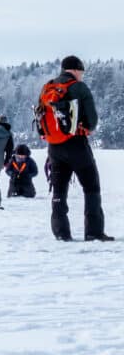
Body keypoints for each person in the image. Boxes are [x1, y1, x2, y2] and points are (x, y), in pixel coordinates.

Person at [43, 56, 113, 241]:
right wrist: (86, 128)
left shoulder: (48, 87)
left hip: (54, 147)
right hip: (76, 144)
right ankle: (93, 232)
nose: (82, 75)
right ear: (74, 70)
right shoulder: (79, 87)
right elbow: (92, 120)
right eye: (81, 71)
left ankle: (60, 232)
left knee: (59, 190)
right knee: (91, 187)